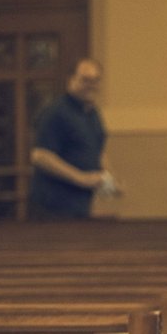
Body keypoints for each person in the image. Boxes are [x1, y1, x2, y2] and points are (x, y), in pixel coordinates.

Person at [27, 58, 118, 220]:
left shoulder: (93, 113)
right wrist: (81, 178)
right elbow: (40, 156)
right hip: (52, 207)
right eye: (85, 80)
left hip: (80, 204)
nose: (91, 85)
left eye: (96, 80)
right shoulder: (56, 112)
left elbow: (97, 149)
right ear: (71, 80)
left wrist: (108, 180)